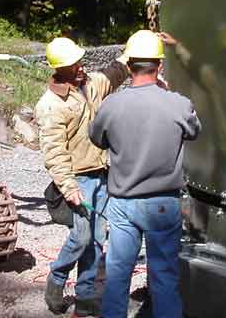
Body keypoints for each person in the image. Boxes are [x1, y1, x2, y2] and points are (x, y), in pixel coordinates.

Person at [89, 30, 201, 318]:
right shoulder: (178, 103)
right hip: (163, 204)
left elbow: (97, 138)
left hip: (123, 202)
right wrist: (168, 93)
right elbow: (194, 131)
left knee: (117, 276)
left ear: (128, 66)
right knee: (164, 278)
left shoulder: (111, 104)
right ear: (159, 66)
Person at [37, 36, 129, 317]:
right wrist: (68, 186)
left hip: (101, 174)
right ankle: (56, 280)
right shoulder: (51, 104)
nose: (79, 66)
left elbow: (113, 74)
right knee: (82, 236)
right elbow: (54, 151)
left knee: (97, 238)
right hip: (78, 179)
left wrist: (133, 51)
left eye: (78, 60)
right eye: (72, 64)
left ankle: (86, 296)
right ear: (59, 69)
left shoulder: (89, 85)